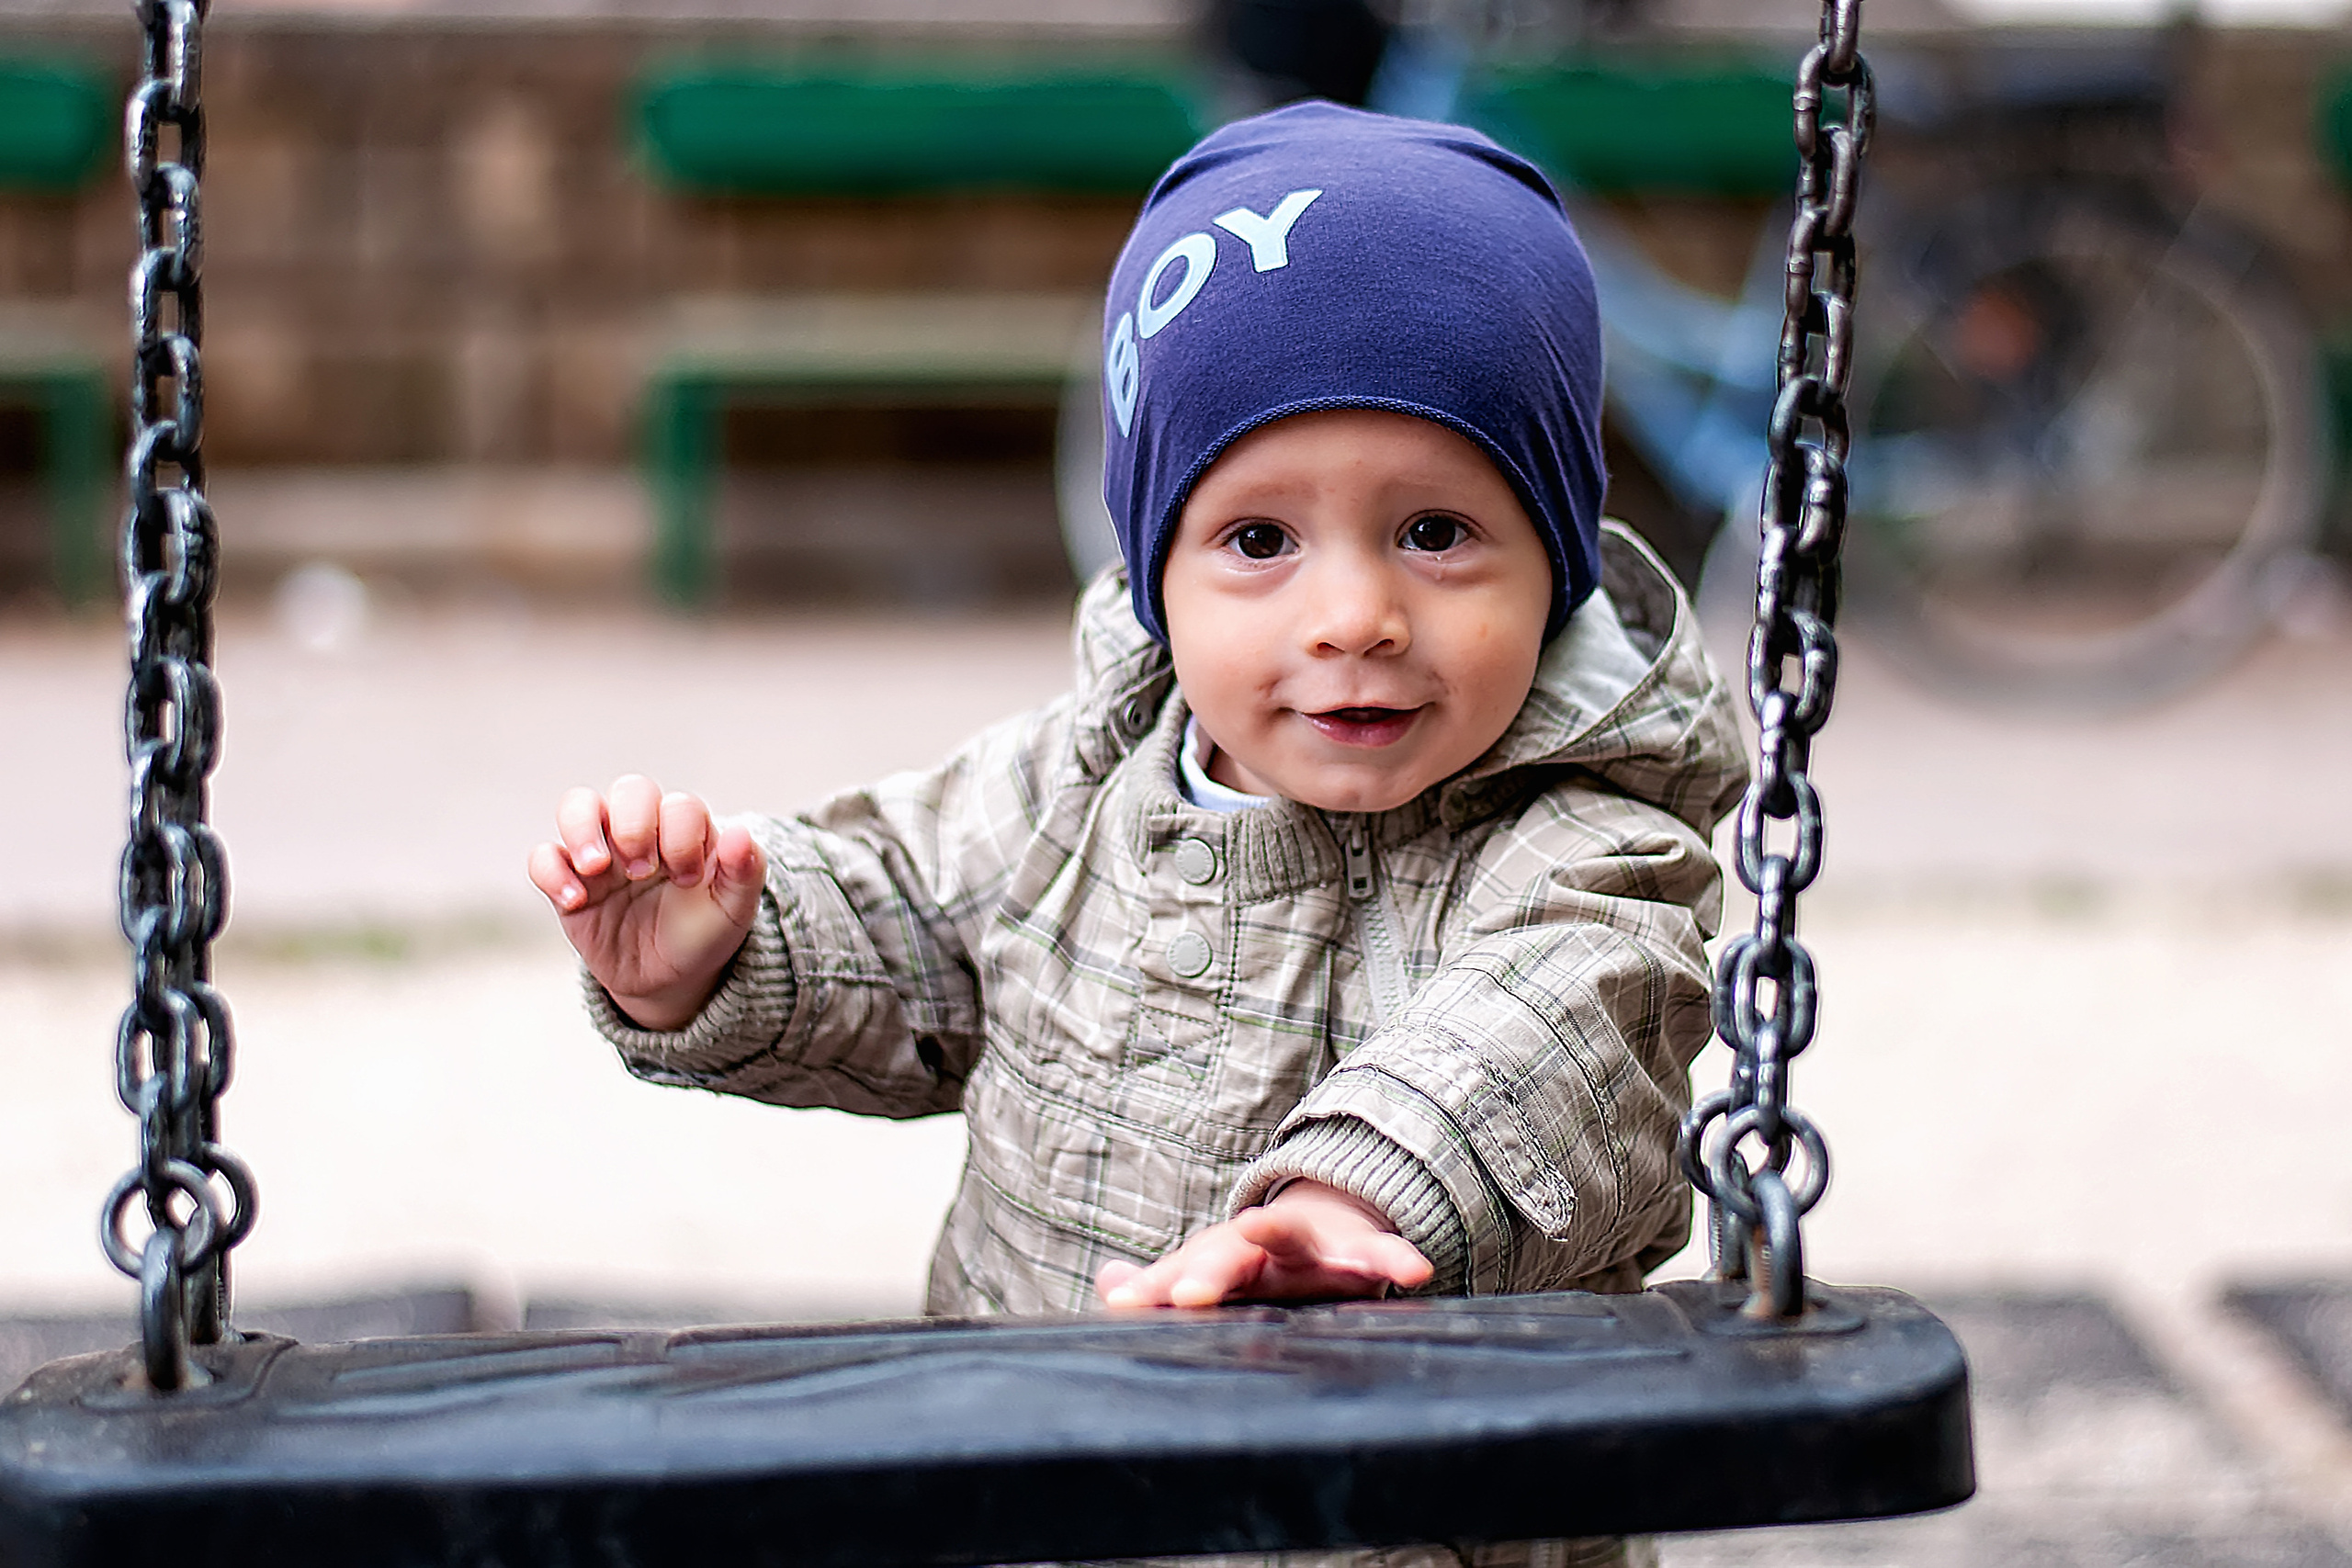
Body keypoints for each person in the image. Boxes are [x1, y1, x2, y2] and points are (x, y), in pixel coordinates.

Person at [527, 102, 1746, 1568]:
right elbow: (907, 907)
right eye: (1258, 541)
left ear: (1553, 559)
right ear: (1153, 562)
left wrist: (1352, 1196)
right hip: (1038, 1503)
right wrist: (725, 952)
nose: (1352, 614)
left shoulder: (1585, 841)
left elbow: (1558, 1031)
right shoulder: (1074, 788)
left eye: (1435, 531)